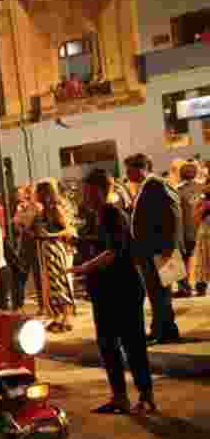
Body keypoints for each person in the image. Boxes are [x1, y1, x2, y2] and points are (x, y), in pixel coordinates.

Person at [69, 168, 155, 414]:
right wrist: (78, 244)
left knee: (126, 344)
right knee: (117, 345)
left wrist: (84, 267)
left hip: (120, 290)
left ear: (97, 190)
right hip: (112, 291)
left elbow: (113, 251)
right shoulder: (102, 215)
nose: (83, 196)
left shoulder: (109, 213)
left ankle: (135, 397)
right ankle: (129, 397)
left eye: (86, 190)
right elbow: (103, 244)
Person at [126, 153, 182, 344]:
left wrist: (169, 246)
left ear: (140, 168)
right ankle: (164, 329)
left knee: (160, 293)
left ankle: (163, 330)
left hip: (160, 249)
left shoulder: (156, 184)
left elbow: (172, 213)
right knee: (158, 293)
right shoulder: (147, 186)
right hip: (153, 250)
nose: (126, 173)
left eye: (129, 168)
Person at [33, 180, 76, 332]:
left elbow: (69, 230)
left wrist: (51, 234)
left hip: (56, 250)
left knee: (60, 283)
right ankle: (58, 316)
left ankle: (67, 317)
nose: (35, 195)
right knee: (52, 286)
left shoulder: (56, 209)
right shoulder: (44, 210)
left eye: (37, 192)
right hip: (47, 251)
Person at [175, 160, 200, 297]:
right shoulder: (202, 187)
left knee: (184, 260)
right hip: (200, 229)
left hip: (186, 231)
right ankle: (200, 285)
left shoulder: (178, 191)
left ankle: (185, 288)